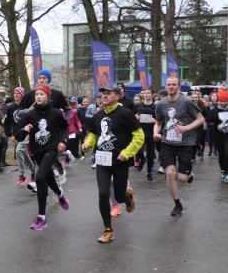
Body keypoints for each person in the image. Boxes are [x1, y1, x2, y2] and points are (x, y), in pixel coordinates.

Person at [81, 84, 143, 243]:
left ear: (117, 96)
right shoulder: (97, 115)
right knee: (103, 193)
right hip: (102, 161)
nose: (104, 96)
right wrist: (88, 144)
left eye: (108, 93)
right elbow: (93, 135)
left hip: (119, 161)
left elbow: (139, 136)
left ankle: (128, 196)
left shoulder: (125, 114)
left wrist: (127, 153)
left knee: (119, 196)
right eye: (103, 93)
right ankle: (108, 230)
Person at [14, 84, 70, 230]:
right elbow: (17, 135)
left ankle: (42, 218)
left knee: (39, 177)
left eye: (41, 94)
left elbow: (65, 127)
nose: (38, 96)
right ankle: (60, 193)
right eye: (37, 94)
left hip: (51, 149)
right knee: (49, 177)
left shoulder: (56, 113)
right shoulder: (29, 115)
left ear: (47, 96)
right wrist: (25, 130)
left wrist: (63, 141)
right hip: (37, 152)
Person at [153, 77, 204, 217]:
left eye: (173, 85)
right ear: (166, 86)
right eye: (168, 84)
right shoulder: (161, 104)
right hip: (167, 142)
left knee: (181, 178)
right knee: (169, 174)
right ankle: (177, 204)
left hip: (186, 143)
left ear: (178, 86)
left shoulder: (186, 102)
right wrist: (156, 133)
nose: (171, 87)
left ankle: (189, 175)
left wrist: (186, 128)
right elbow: (157, 122)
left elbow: (201, 119)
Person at [208, 89, 228, 184]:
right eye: (221, 101)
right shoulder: (214, 110)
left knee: (227, 154)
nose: (223, 103)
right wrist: (217, 124)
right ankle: (222, 171)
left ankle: (227, 174)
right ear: (219, 101)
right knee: (221, 155)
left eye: (225, 101)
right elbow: (210, 121)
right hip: (218, 136)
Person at [9, 87, 35, 186]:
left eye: (18, 93)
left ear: (22, 95)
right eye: (14, 93)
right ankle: (34, 172)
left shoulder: (28, 104)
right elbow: (10, 121)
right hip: (18, 132)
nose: (16, 95)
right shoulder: (12, 107)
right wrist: (12, 134)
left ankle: (22, 175)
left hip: (28, 131)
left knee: (19, 150)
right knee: (23, 152)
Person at [134, 87, 157, 182]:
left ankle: (149, 173)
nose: (146, 95)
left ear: (152, 95)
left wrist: (154, 120)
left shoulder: (155, 107)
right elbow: (132, 117)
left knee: (150, 155)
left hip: (151, 133)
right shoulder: (138, 106)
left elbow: (160, 121)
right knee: (137, 149)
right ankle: (142, 159)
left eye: (148, 93)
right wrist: (135, 117)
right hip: (140, 132)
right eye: (145, 93)